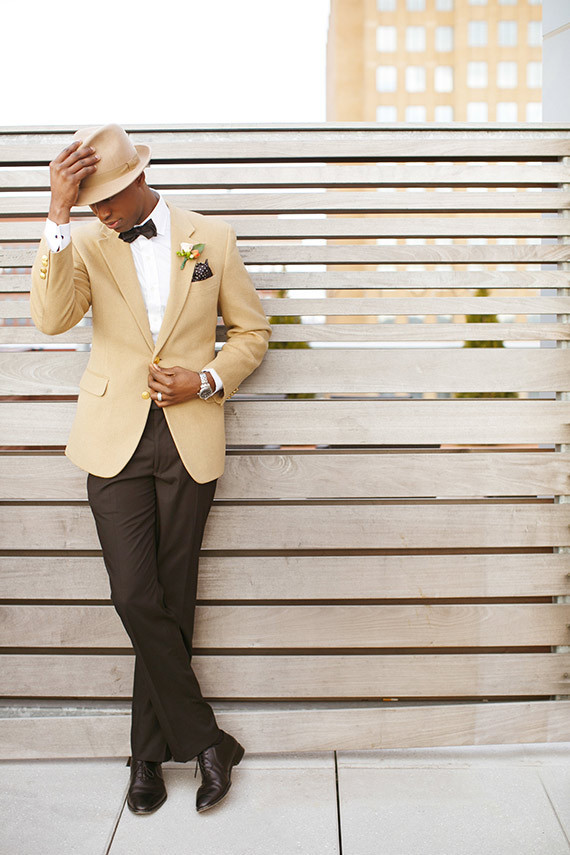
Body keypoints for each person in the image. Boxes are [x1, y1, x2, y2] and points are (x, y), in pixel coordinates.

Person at [30, 123, 271, 815]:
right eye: (87, 201)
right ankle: (206, 740)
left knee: (172, 596)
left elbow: (253, 332)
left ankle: (144, 760)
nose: (98, 210)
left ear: (140, 178)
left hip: (189, 434)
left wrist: (204, 380)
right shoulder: (80, 240)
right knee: (137, 595)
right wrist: (56, 212)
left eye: (106, 197)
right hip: (114, 440)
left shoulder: (210, 238)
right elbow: (50, 318)